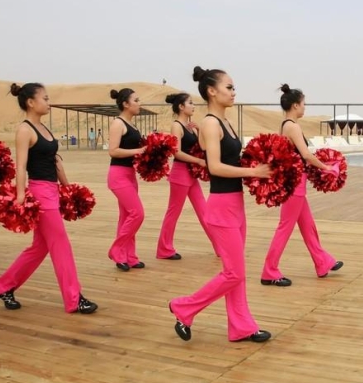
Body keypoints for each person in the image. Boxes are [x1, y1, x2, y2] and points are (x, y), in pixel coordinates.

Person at [168, 66, 272, 343]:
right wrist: (253, 173)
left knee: (237, 272)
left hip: (235, 204)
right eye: (229, 87)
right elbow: (214, 166)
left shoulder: (225, 122)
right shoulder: (211, 123)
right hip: (221, 206)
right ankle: (184, 306)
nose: (234, 91)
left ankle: (241, 327)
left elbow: (233, 161)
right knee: (233, 272)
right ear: (212, 91)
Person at [0, 83, 98, 313]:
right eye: (45, 98)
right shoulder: (25, 130)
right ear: (30, 102)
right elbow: (21, 166)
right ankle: (74, 298)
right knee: (61, 245)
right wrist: (20, 196)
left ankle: (3, 286)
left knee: (39, 247)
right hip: (39, 193)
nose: (48, 102)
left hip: (52, 191)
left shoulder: (44, 128)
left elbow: (55, 161)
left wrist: (67, 188)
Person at [261, 84, 343, 286]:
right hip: (295, 184)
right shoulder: (293, 126)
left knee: (308, 226)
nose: (305, 108)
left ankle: (322, 262)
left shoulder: (286, 125)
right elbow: (305, 155)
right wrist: (327, 168)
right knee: (285, 228)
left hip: (295, 183)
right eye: (304, 104)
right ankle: (269, 271)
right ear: (295, 105)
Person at [156, 92, 217, 260]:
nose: (194, 106)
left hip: (191, 175)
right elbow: (176, 152)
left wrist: (198, 130)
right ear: (181, 107)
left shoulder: (189, 126)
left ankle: (220, 247)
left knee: (204, 211)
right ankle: (164, 249)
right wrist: (198, 161)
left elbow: (201, 147)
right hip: (180, 174)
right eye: (190, 103)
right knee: (174, 212)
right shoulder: (176, 126)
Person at [107, 88, 147, 271]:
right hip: (118, 175)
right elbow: (113, 151)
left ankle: (129, 257)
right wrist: (137, 151)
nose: (139, 103)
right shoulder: (118, 124)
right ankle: (117, 249)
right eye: (136, 100)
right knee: (137, 213)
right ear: (125, 104)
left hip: (130, 174)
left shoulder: (132, 125)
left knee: (126, 216)